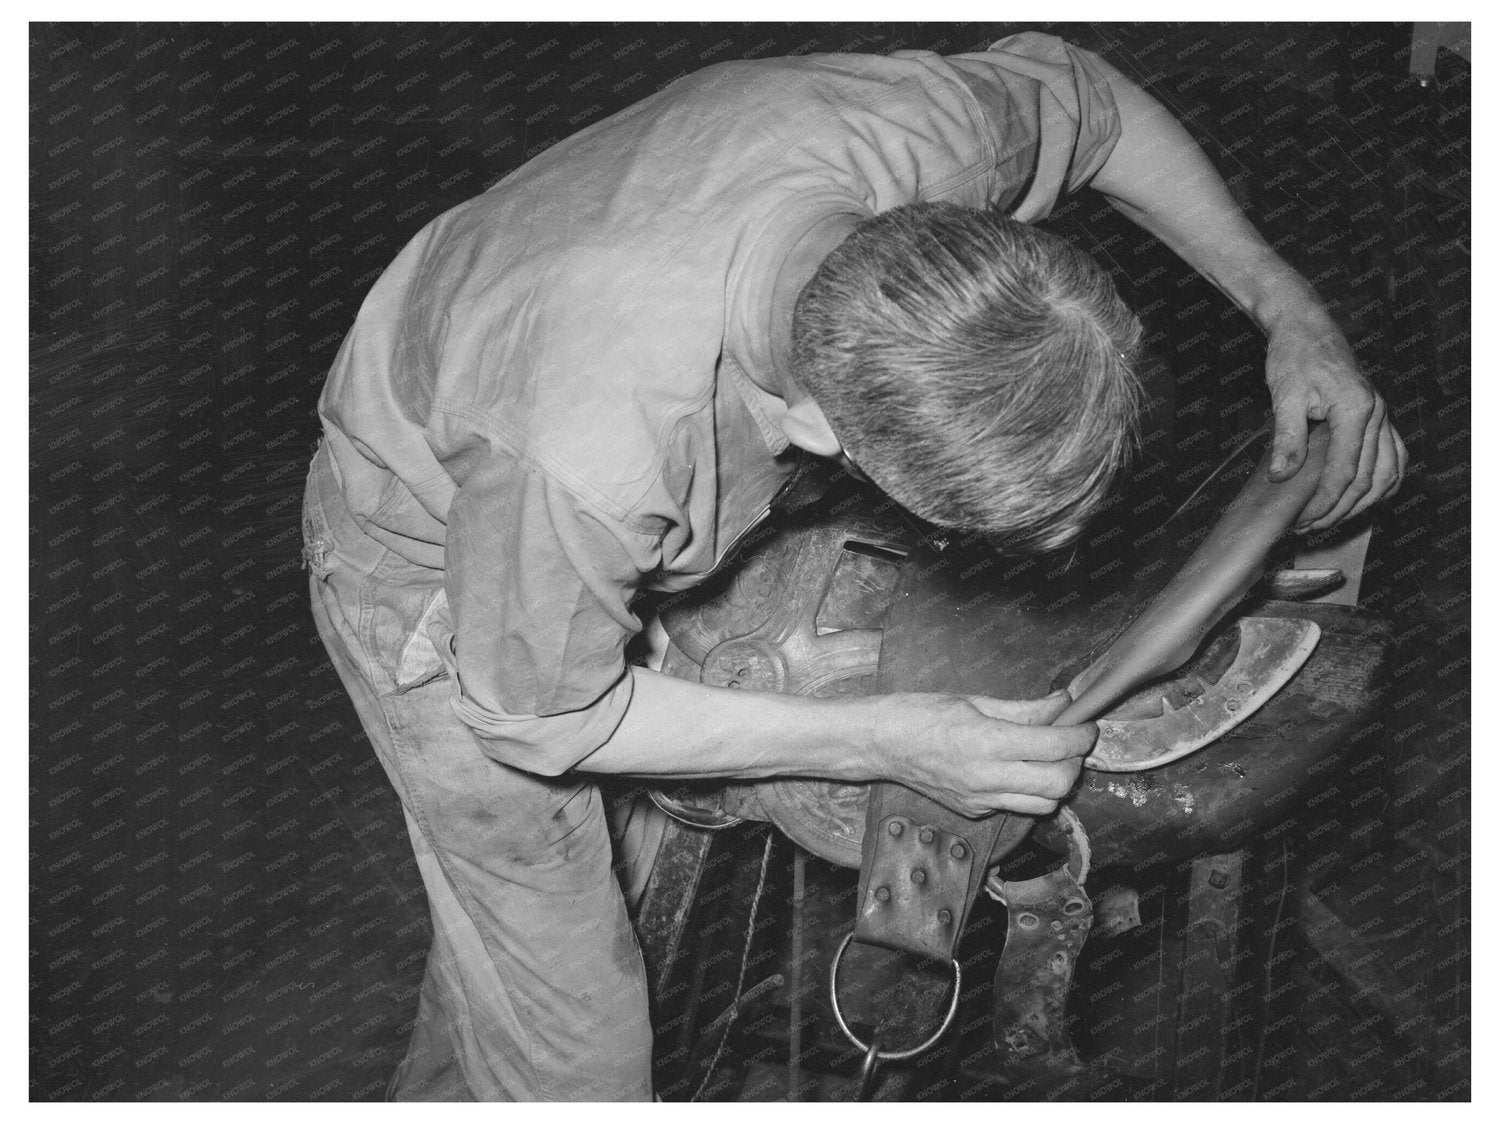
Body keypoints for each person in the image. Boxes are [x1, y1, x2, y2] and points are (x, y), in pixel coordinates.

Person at [301, 31, 1404, 1101]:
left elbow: (1095, 101)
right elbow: (539, 720)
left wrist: (1286, 309)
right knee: (578, 1047)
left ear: (967, 234)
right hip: (435, 566)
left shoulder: (916, 137)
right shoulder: (588, 455)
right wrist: (889, 734)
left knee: (527, 953)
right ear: (811, 430)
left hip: (600, 387)